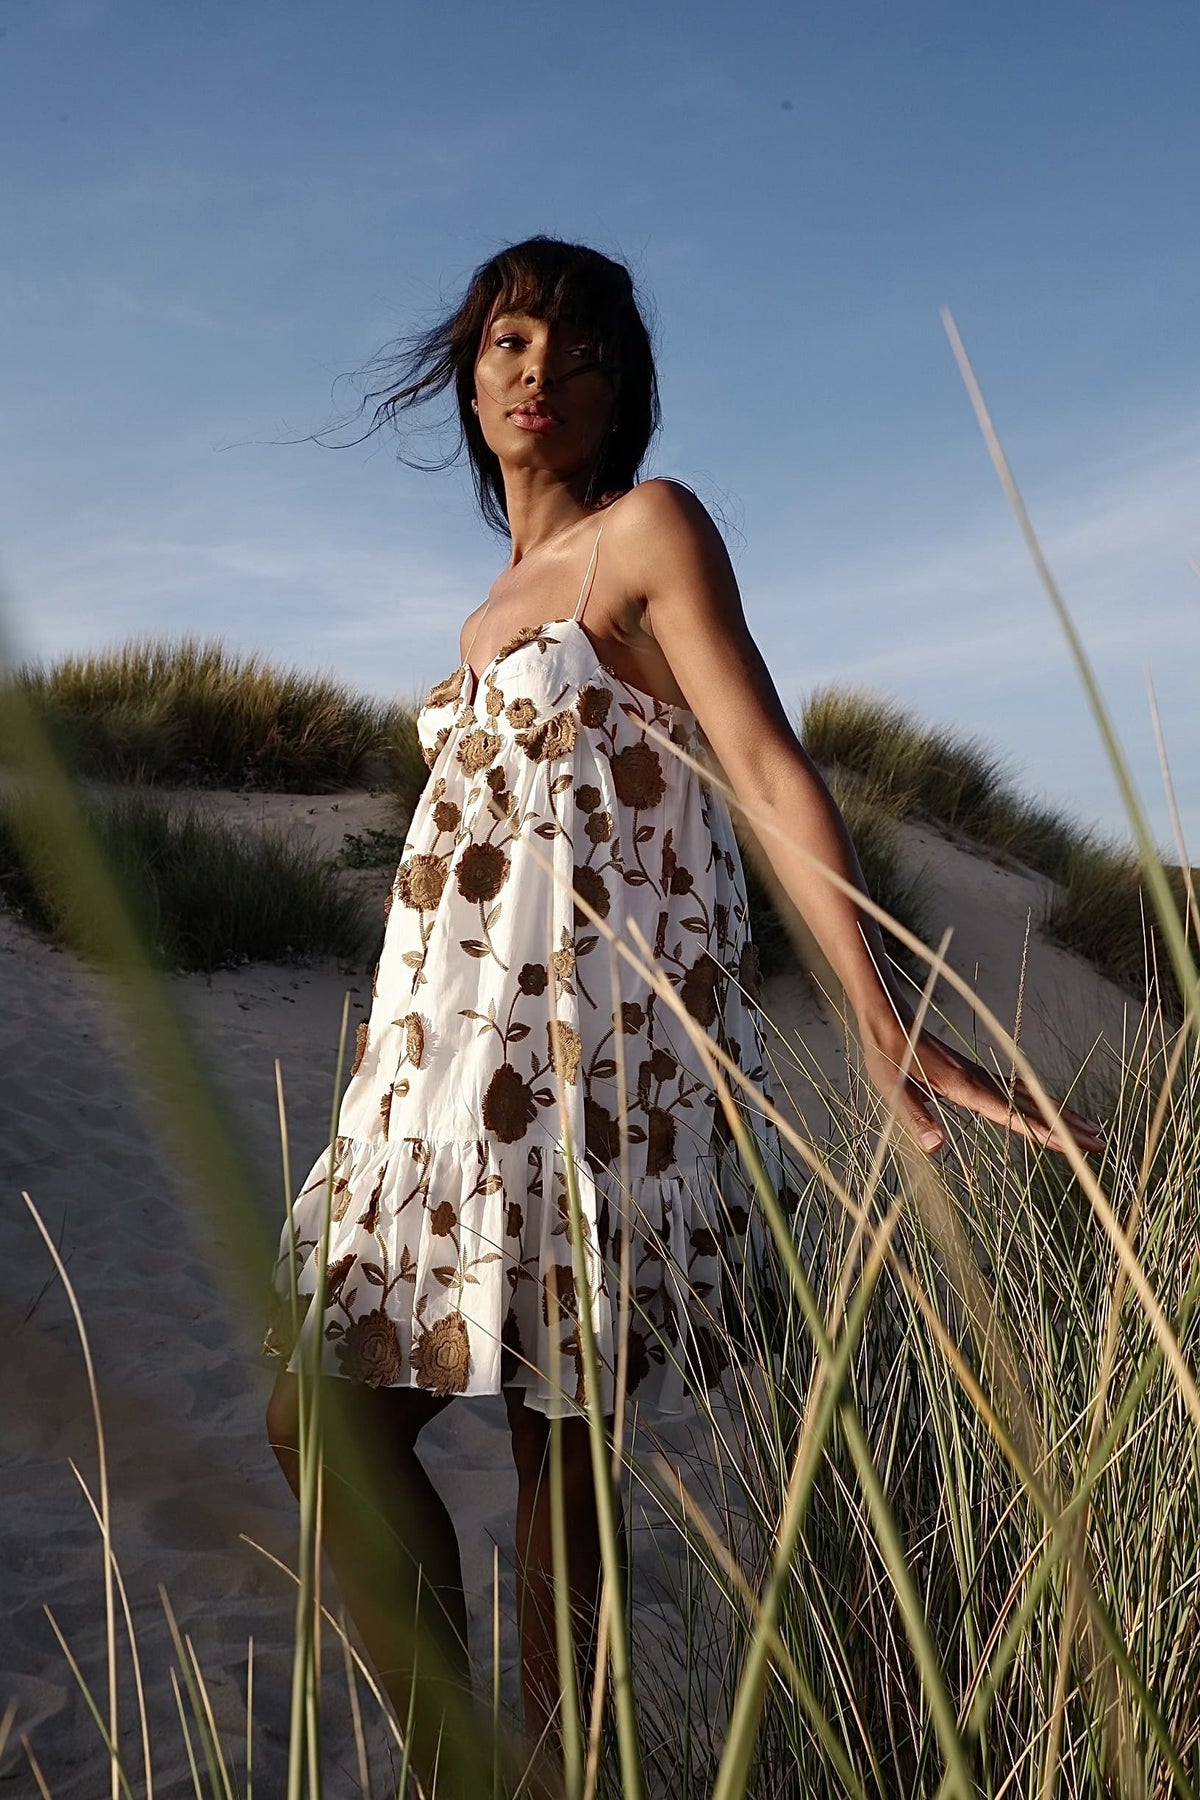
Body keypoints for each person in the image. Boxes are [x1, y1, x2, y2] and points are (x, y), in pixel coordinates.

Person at [263, 236, 1103, 1790]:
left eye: (577, 356)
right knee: (316, 1419)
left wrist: (874, 1008)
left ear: (619, 398)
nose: (538, 373)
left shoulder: (649, 531)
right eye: (512, 341)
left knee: (556, 1456)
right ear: (469, 370)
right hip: (439, 1080)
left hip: (593, 1068)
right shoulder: (480, 616)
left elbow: (769, 769)